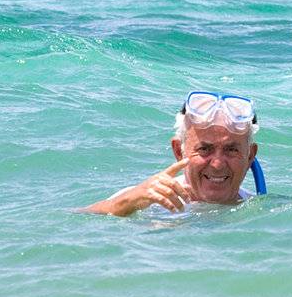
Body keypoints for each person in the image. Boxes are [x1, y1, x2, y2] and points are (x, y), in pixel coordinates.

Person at [83, 92, 267, 216]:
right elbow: (75, 220)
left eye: (231, 150)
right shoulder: (144, 202)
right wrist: (122, 205)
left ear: (250, 156)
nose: (217, 164)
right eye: (204, 149)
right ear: (179, 151)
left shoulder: (260, 212)